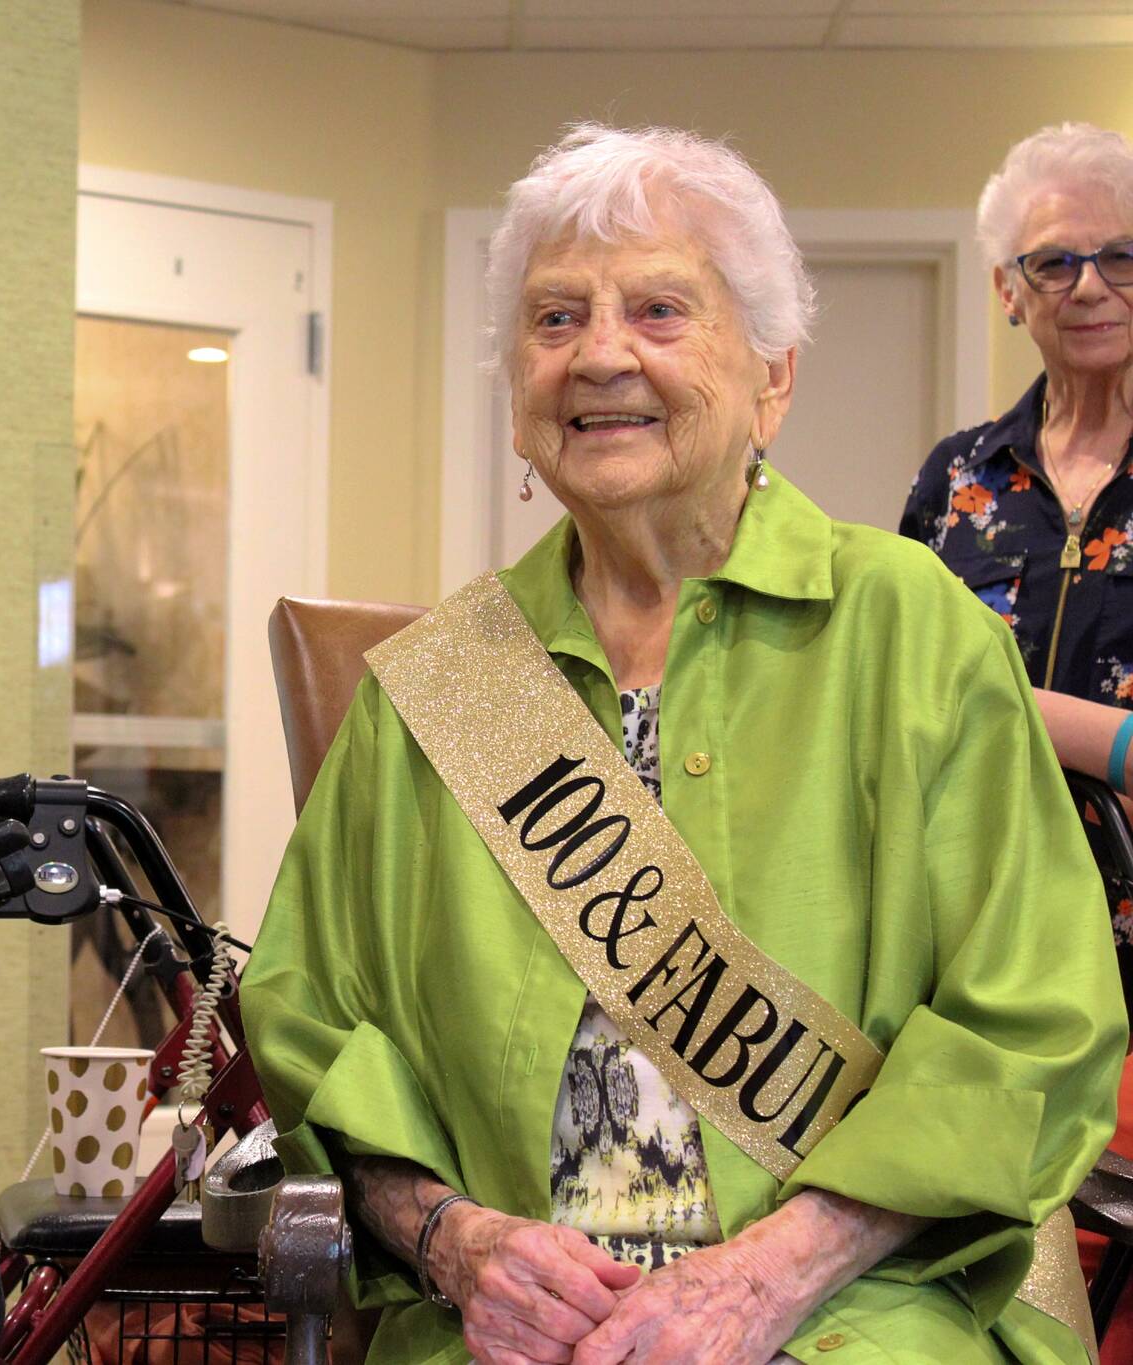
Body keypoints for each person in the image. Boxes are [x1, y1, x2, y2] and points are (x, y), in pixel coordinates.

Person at [243, 124, 1126, 1365]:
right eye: (554, 321)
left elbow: (1034, 1022)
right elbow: (307, 1035)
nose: (599, 353)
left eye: (659, 310)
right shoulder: (438, 687)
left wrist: (767, 1276)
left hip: (847, 1313)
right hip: (497, 1333)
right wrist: (453, 1242)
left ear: (773, 376)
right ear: (516, 396)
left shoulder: (911, 633)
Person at [901, 120, 1133, 1362]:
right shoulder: (952, 483)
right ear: (1006, 292)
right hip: (972, 938)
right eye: (1053, 262)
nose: (1089, 285)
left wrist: (1052, 721)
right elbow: (889, 686)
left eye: (1120, 255)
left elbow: (952, 680)